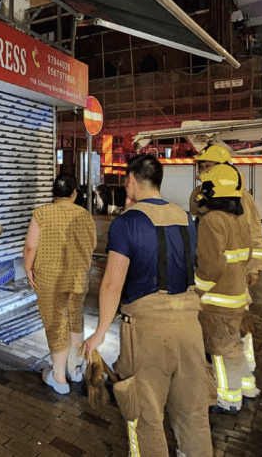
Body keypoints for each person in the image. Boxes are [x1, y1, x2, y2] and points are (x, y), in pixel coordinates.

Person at [82, 155, 213, 456]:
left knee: (146, 415)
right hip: (191, 328)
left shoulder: (126, 223)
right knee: (193, 415)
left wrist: (100, 332)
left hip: (147, 332)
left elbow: (113, 284)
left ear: (130, 181)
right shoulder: (186, 217)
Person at [189, 143, 262, 390]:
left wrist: (254, 267)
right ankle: (241, 377)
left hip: (230, 276)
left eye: (207, 165)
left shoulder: (241, 198)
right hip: (219, 276)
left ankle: (240, 378)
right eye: (201, 165)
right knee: (226, 329)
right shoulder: (200, 193)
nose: (203, 170)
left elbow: (255, 232)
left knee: (234, 327)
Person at [23, 174, 97, 395]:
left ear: (54, 193)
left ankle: (59, 377)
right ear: (74, 193)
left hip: (50, 279)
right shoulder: (85, 216)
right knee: (75, 319)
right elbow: (92, 245)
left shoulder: (41, 213)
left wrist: (28, 268)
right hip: (78, 278)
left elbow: (30, 247)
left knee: (56, 323)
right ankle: (74, 370)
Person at [194, 163, 256, 415]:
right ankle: (244, 386)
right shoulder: (239, 219)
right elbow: (247, 254)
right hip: (237, 296)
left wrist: (197, 291)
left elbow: (211, 265)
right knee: (233, 346)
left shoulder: (211, 221)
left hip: (217, 301)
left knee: (219, 351)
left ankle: (227, 398)